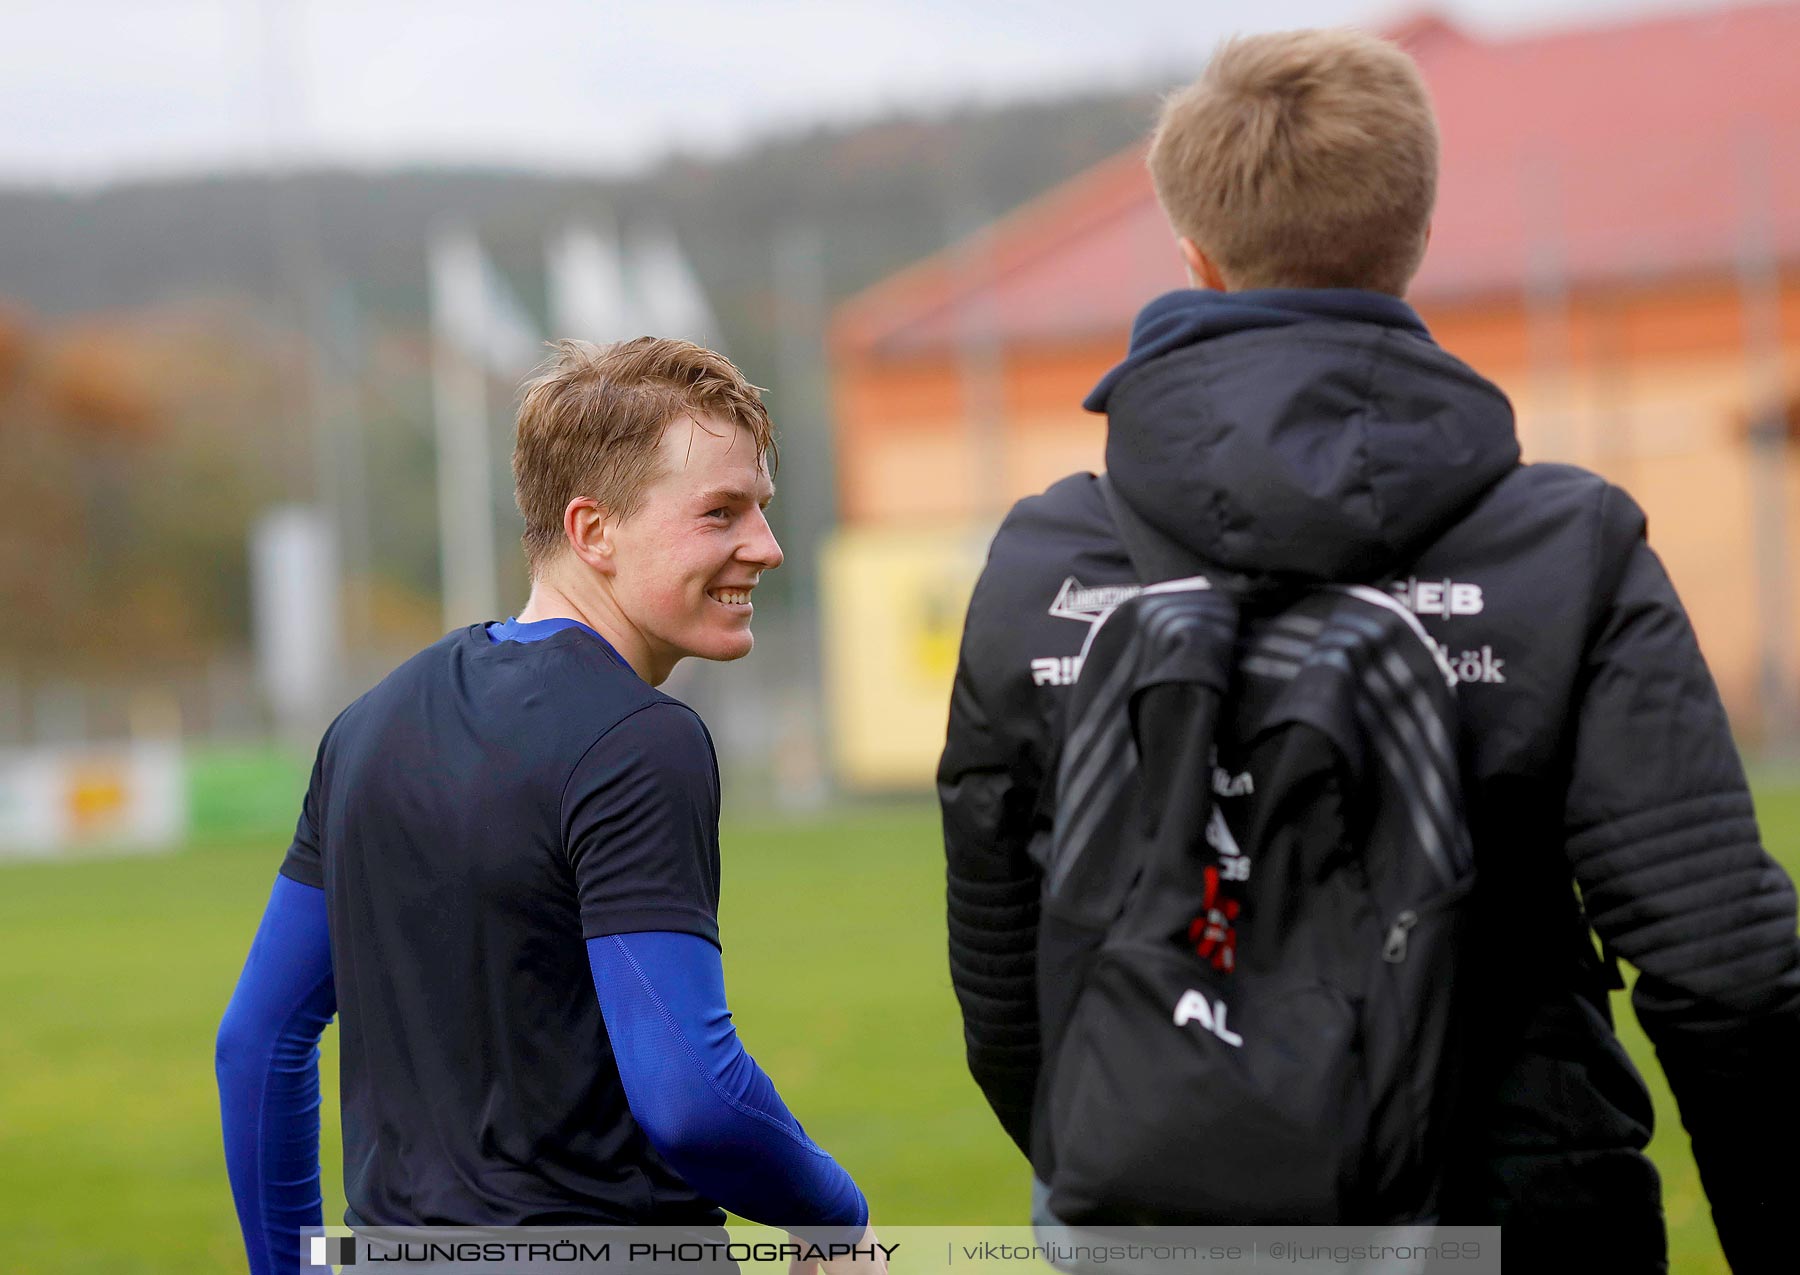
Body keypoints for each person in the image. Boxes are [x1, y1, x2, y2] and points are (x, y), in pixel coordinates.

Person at [938, 28, 1800, 1272]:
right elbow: (1722, 969)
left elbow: (1009, 986)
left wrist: (1162, 1165)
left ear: (1194, 251)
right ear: (1416, 237)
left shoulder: (1044, 562)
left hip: (1159, 1226)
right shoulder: (1570, 548)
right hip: (1520, 1214)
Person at [218, 338, 882, 1273]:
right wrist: (838, 1216)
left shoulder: (369, 723)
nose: (765, 547)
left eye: (762, 510)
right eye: (720, 513)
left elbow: (257, 1042)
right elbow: (690, 1096)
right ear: (593, 529)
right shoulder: (640, 740)